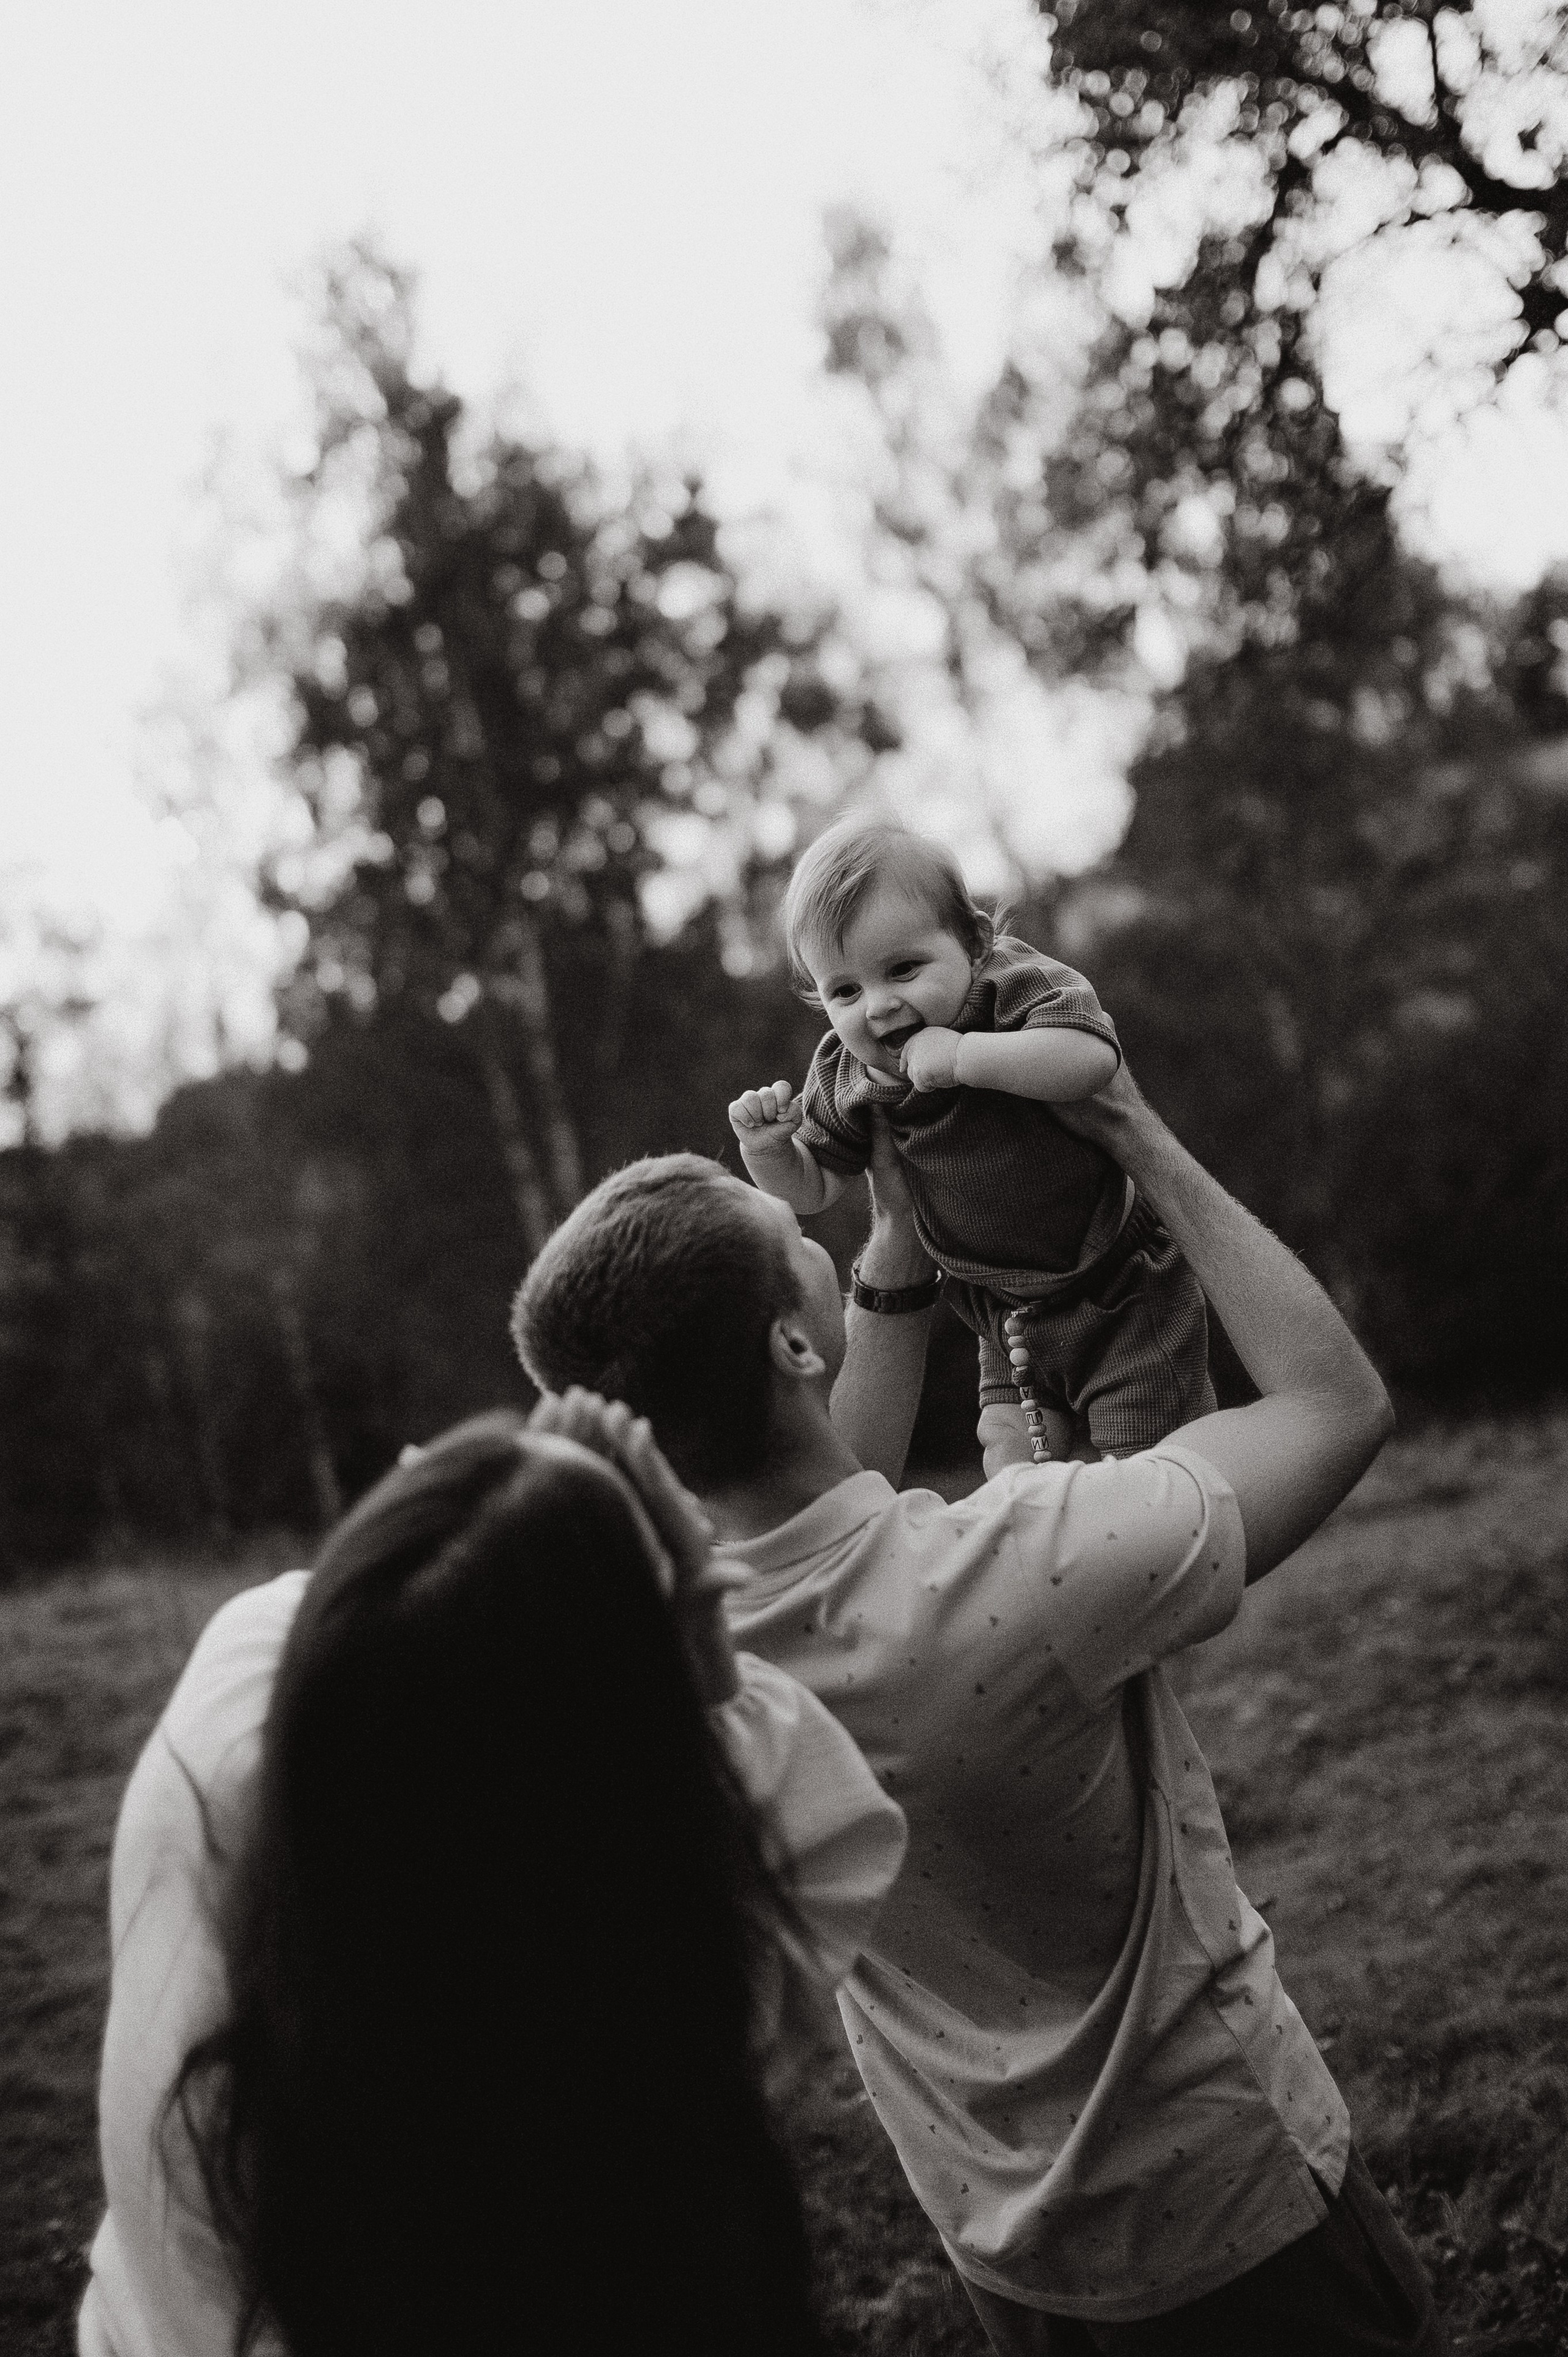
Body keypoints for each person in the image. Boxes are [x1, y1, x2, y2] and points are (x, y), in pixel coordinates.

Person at [513, 1071, 1450, 2353]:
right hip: (1233, 2216)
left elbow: (821, 1496)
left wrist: (896, 1238)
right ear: (791, 1345)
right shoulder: (1033, 1562)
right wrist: (1131, 1129)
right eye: (797, 1243)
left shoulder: (674, 1670)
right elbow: (1335, 1406)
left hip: (1008, 2257)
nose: (814, 1230)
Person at [79, 1398, 907, 2357]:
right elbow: (831, 1830)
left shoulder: (245, 1702)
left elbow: (418, 1621)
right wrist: (701, 1638)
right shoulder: (610, 2053)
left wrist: (508, 1501)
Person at [729, 815, 1213, 1461]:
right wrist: (768, 1152)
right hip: (1003, 1314)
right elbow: (814, 1188)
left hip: (1118, 1286)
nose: (876, 1006)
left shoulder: (1011, 989)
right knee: (1010, 1461)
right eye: (844, 989)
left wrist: (965, 1057)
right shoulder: (845, 1071)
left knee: (1149, 1463)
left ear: (975, 942)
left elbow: (1092, 1061)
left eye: (902, 969)